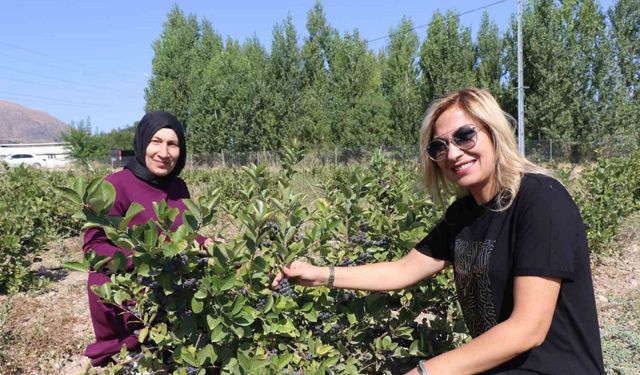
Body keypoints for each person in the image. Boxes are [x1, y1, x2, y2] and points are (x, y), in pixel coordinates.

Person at [272, 88, 605, 374]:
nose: (453, 153)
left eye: (464, 135)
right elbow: (401, 271)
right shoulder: (464, 214)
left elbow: (526, 330)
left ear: (493, 133)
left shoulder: (540, 200)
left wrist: (425, 370)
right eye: (438, 147)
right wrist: (318, 275)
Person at [82, 111, 216, 367]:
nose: (164, 153)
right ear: (143, 142)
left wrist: (205, 243)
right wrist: (142, 260)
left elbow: (183, 234)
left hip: (171, 294)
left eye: (172, 144)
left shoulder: (178, 187)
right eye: (156, 141)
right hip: (129, 297)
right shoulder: (115, 185)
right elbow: (94, 249)